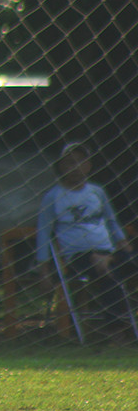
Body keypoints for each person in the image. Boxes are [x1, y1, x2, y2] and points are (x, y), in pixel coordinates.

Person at [36, 142, 137, 341]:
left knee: (117, 266)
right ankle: (117, 329)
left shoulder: (97, 192)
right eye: (70, 162)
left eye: (81, 161)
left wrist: (122, 242)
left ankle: (118, 326)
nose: (75, 167)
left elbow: (111, 220)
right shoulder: (53, 197)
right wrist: (44, 271)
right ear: (61, 166)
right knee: (106, 270)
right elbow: (44, 234)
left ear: (89, 165)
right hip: (78, 257)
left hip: (108, 252)